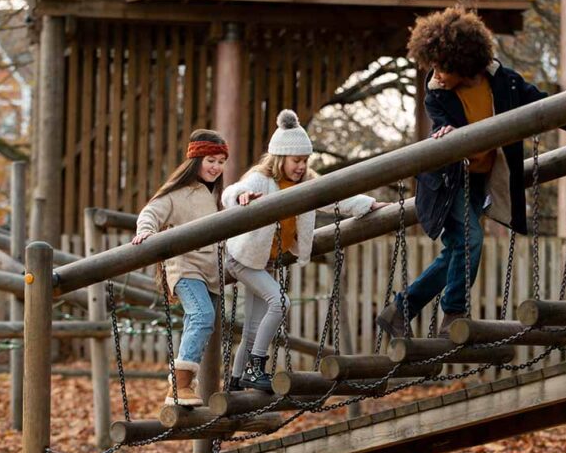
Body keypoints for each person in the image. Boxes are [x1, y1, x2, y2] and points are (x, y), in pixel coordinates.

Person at [378, 6, 566, 339]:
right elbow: (441, 124)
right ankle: (454, 314)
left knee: (459, 251)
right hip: (447, 183)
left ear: (462, 61)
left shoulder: (505, 83)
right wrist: (444, 133)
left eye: (443, 66)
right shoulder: (438, 94)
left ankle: (399, 310)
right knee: (470, 241)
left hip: (478, 181)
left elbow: (544, 105)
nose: (437, 74)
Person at [223, 109, 387, 392]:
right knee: (281, 303)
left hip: (266, 262)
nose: (301, 166)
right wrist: (241, 197)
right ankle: (255, 367)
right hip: (243, 259)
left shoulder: (307, 183)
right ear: (279, 158)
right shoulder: (262, 180)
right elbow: (232, 191)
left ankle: (235, 384)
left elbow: (334, 195)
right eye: (296, 160)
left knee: (251, 327)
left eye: (305, 160)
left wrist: (366, 204)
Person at [132, 129, 228, 406]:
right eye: (211, 160)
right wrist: (146, 231)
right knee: (202, 316)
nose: (216, 167)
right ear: (196, 160)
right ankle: (180, 386)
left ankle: (184, 388)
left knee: (198, 322)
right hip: (185, 267)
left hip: (211, 271)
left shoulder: (218, 195)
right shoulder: (178, 193)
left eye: (221, 162)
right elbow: (152, 211)